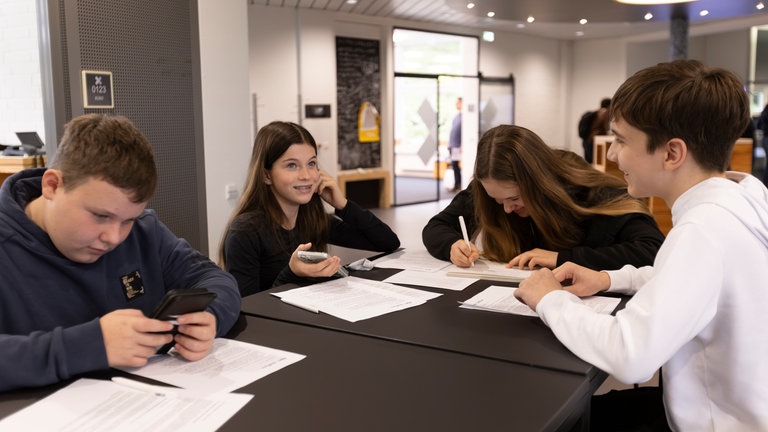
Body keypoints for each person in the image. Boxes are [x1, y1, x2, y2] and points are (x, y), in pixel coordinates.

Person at [515, 60, 768, 431]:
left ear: (671, 153)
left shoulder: (703, 230)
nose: (613, 156)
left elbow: (630, 355)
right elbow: (697, 280)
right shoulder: (743, 196)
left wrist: (550, 298)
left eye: (621, 140)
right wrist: (607, 279)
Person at [0, 114, 241, 392]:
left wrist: (210, 318)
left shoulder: (144, 231)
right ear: (52, 186)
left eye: (127, 220)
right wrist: (87, 345)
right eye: (100, 216)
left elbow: (215, 279)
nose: (113, 237)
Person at [422, 124, 665, 270]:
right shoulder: (491, 187)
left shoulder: (591, 193)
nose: (506, 209)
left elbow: (652, 251)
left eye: (515, 198)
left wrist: (561, 258)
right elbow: (437, 227)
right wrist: (452, 246)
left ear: (539, 184)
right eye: (498, 201)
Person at [219, 121, 400, 297]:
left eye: (311, 163)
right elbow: (249, 308)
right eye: (292, 165)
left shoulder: (311, 218)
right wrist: (292, 272)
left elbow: (388, 243)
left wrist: (343, 205)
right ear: (266, 175)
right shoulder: (245, 231)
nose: (306, 176)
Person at [579, 98, 611, 164]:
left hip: (587, 140)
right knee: (598, 164)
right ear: (609, 105)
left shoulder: (596, 112)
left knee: (589, 163)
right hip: (596, 141)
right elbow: (607, 128)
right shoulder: (605, 113)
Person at [448, 97, 463, 192]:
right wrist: (449, 144)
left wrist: (462, 145)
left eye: (458, 103)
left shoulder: (465, 117)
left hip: (458, 146)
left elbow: (465, 132)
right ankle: (457, 184)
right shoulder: (456, 117)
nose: (456, 105)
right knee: (454, 165)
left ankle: (458, 184)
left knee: (456, 165)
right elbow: (452, 132)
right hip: (453, 145)